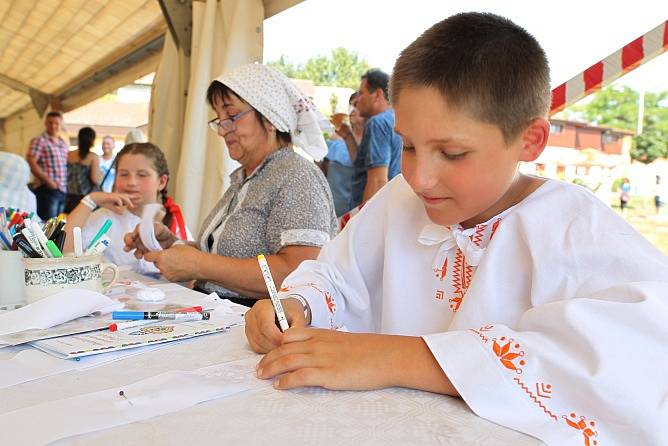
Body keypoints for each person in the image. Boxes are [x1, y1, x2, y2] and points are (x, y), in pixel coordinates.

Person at [245, 13, 668, 445]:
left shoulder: (573, 227)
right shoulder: (399, 201)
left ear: (530, 140)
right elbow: (337, 274)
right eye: (407, 145)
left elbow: (636, 357)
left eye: (452, 152)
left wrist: (400, 358)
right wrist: (298, 305)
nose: (420, 176)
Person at [124, 63, 338, 307]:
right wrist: (172, 244)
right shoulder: (246, 178)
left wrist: (198, 265)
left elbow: (298, 273)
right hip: (223, 316)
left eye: (232, 115)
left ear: (269, 117)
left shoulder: (296, 176)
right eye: (219, 118)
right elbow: (226, 256)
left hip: (260, 326)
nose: (222, 130)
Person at [64, 142, 189, 266]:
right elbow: (63, 253)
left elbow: (189, 275)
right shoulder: (104, 218)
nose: (132, 182)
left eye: (142, 175)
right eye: (124, 174)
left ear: (161, 182)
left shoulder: (175, 221)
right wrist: (91, 199)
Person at [338, 69, 402, 210]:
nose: (358, 99)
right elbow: (363, 167)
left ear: (378, 94)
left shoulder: (377, 123)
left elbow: (378, 180)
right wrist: (349, 136)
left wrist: (363, 222)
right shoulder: (396, 119)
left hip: (374, 214)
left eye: (361, 93)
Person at [26, 111, 69, 220]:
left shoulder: (63, 143)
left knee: (57, 226)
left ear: (61, 125)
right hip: (47, 189)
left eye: (56, 123)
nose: (53, 126)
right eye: (50, 123)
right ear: (45, 124)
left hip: (62, 189)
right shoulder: (39, 141)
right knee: (46, 225)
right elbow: (31, 161)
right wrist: (48, 181)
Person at [64, 127, 101, 213]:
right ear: (92, 140)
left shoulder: (69, 154)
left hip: (69, 197)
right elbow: (95, 179)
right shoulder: (93, 157)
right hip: (86, 199)